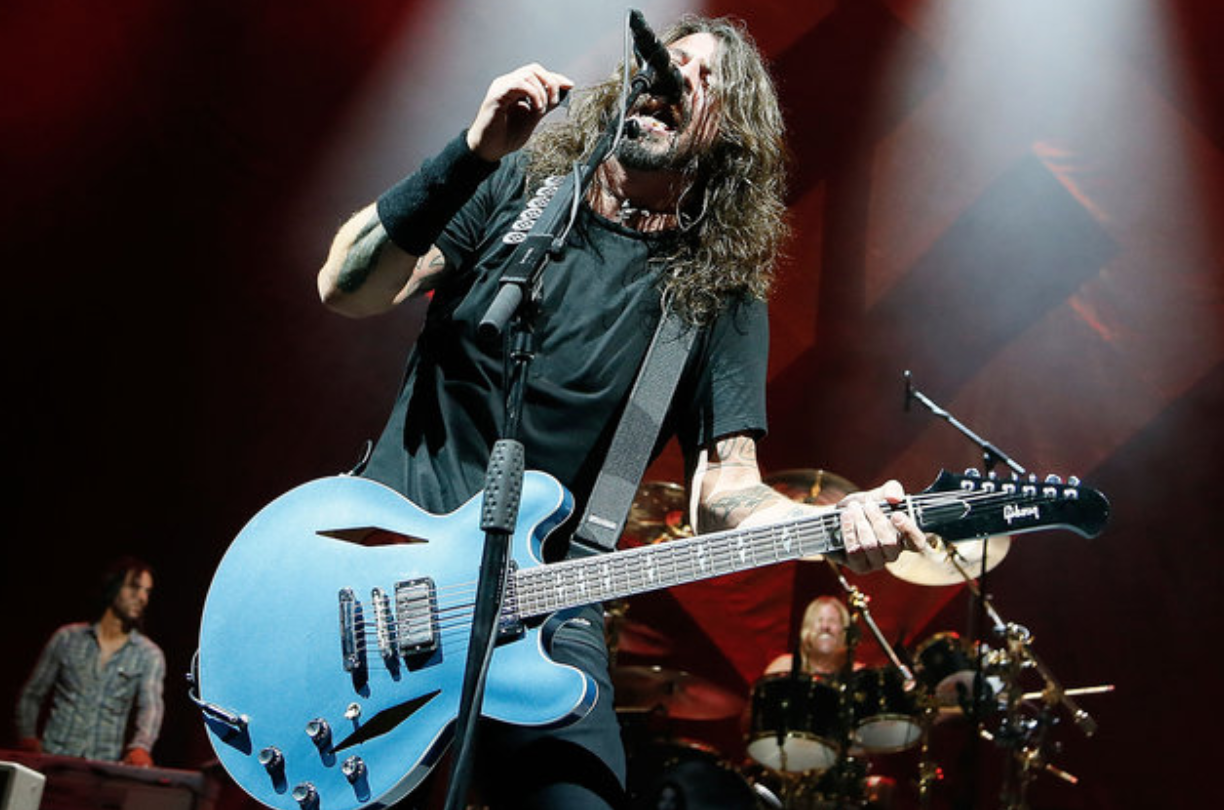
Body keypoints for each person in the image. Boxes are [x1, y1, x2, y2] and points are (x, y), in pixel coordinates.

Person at [317, 13, 924, 809]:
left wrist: (832, 524)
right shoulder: (517, 185)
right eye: (671, 61)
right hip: (384, 577)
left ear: (728, 138)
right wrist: (470, 153)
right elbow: (346, 286)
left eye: (707, 79)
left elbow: (725, 493)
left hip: (546, 608)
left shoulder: (716, 291)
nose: (676, 77)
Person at [15, 557, 165, 766]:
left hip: (102, 768)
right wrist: (27, 737)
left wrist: (141, 747)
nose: (142, 598)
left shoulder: (148, 654)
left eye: (147, 592)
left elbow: (151, 708)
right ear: (114, 587)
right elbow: (32, 694)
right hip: (54, 759)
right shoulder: (67, 638)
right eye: (134, 588)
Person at [764, 596, 855, 678]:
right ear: (807, 628)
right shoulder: (783, 669)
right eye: (819, 620)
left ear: (844, 629)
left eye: (832, 621)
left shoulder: (856, 675)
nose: (825, 626)